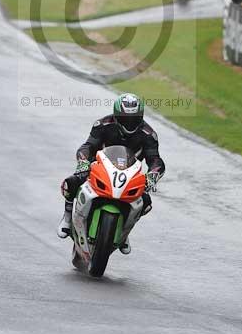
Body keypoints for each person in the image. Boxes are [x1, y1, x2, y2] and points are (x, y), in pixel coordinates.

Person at [57, 93, 165, 254]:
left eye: (134, 118)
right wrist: (83, 162)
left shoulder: (148, 135)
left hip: (129, 175)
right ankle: (67, 217)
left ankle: (124, 231)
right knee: (71, 182)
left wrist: (152, 176)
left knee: (146, 202)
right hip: (98, 168)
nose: (130, 122)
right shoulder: (102, 124)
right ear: (116, 116)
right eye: (125, 118)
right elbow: (87, 146)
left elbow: (155, 161)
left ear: (141, 116)